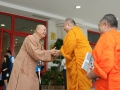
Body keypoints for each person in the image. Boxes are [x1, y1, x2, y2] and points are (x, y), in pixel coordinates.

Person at [7, 24, 56, 90]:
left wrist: (57, 53)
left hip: (31, 71)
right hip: (22, 69)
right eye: (44, 30)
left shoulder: (40, 43)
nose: (45, 32)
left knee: (33, 86)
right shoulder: (30, 38)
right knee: (22, 86)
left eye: (46, 30)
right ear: (37, 30)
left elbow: (44, 55)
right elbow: (36, 53)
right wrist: (50, 52)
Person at [54, 18, 92, 90]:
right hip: (86, 60)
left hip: (80, 61)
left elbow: (68, 47)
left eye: (64, 26)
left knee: (79, 82)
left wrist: (60, 51)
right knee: (84, 81)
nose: (64, 28)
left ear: (68, 24)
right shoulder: (78, 31)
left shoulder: (72, 32)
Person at [87, 14, 120, 90]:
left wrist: (90, 75)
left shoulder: (106, 37)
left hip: (109, 85)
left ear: (106, 25)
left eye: (99, 28)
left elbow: (106, 64)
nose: (99, 32)